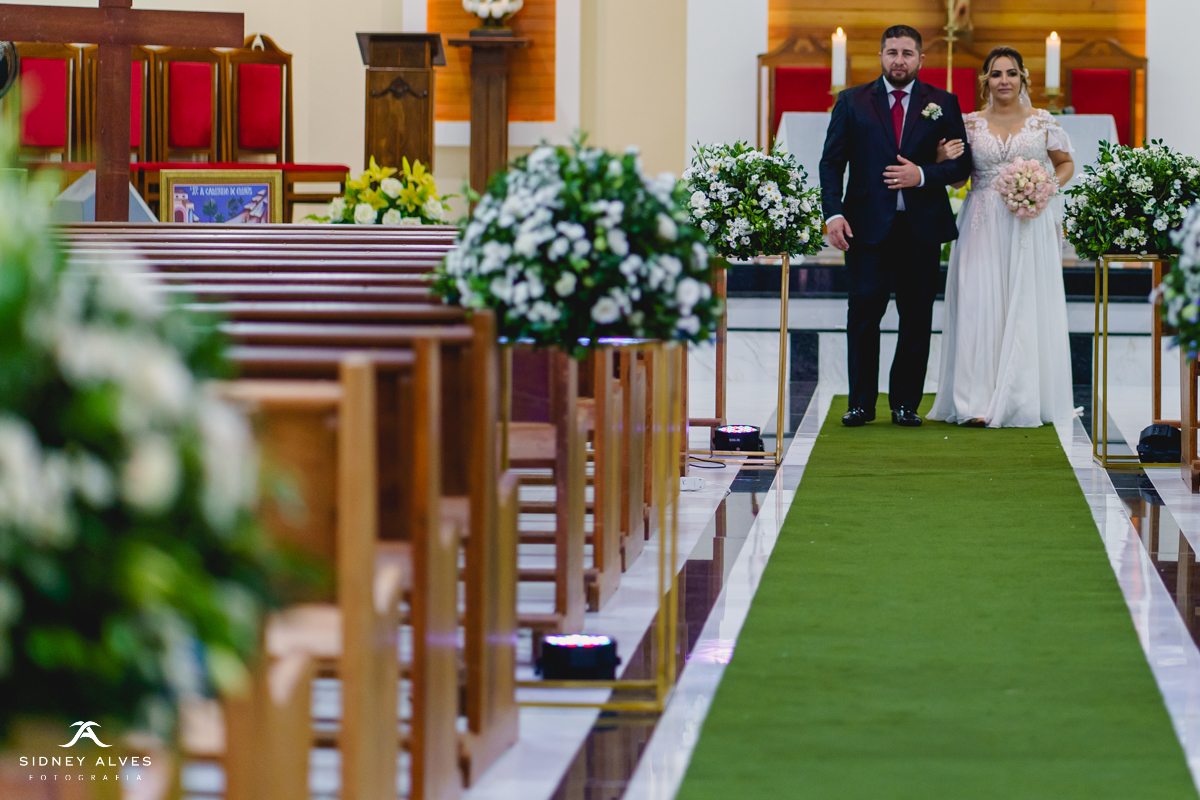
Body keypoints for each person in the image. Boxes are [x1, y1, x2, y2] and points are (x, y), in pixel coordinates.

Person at [820, 24, 973, 428]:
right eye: (892, 52)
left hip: (921, 228)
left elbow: (961, 164)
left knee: (916, 317)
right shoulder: (852, 102)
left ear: (921, 59)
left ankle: (906, 403)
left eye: (907, 53)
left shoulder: (942, 102)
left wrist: (922, 174)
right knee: (864, 315)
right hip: (865, 227)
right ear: (881, 56)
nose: (899, 60)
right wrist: (833, 214)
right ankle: (860, 405)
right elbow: (832, 162)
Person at [927, 46, 1075, 428]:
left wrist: (1044, 187)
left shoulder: (1043, 121)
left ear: (1023, 77)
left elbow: (1065, 164)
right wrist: (943, 160)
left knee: (1024, 301)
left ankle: (1023, 395)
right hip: (981, 219)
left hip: (1029, 221)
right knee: (979, 303)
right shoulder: (969, 124)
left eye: (1011, 73)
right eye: (996, 74)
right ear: (985, 81)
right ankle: (975, 398)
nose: (1004, 81)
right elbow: (959, 179)